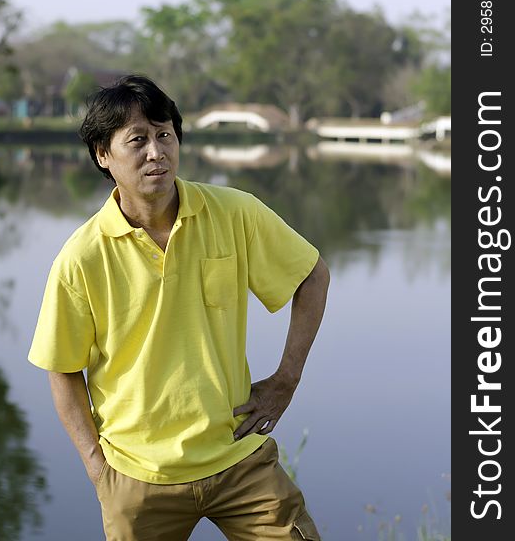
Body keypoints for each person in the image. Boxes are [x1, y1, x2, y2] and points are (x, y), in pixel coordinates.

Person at [28, 74, 330, 541]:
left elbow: (311, 275)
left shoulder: (234, 213)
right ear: (102, 155)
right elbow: (62, 370)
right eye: (138, 140)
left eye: (164, 134)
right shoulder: (82, 256)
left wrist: (286, 379)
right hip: (138, 475)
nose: (156, 152)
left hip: (238, 457)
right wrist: (98, 468)